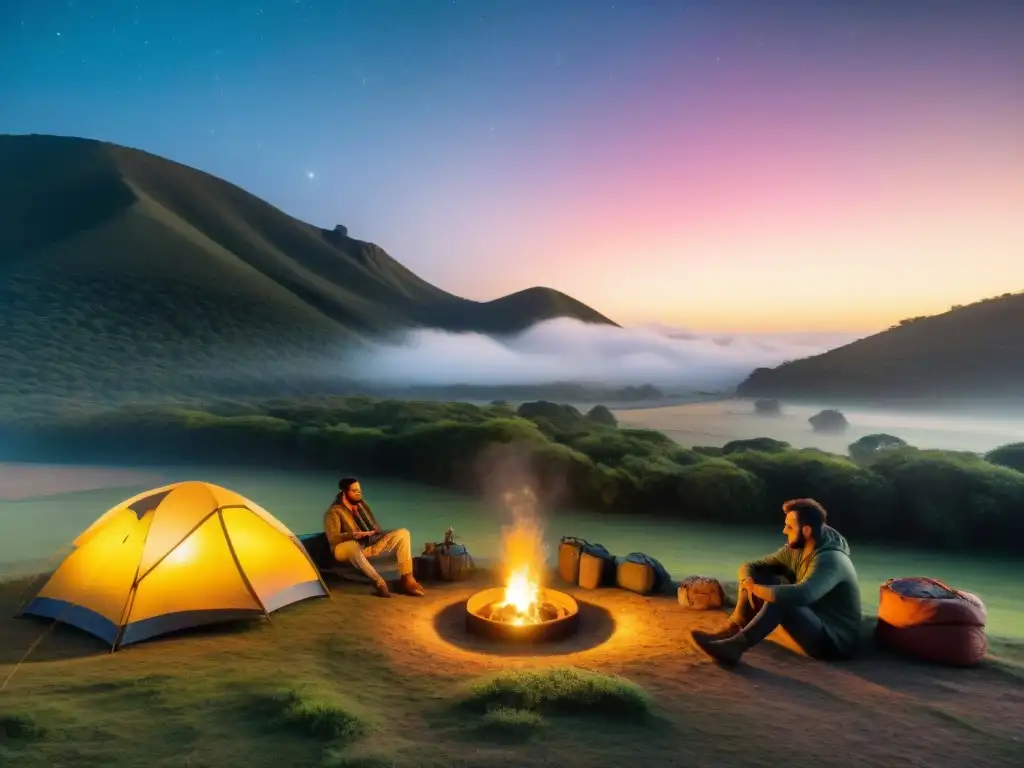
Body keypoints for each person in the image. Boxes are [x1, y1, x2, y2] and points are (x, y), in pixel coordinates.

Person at [689, 498, 862, 665]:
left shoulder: (831, 559)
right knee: (760, 576)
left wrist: (756, 589)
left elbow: (802, 595)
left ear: (807, 530)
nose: (784, 531)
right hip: (811, 621)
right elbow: (751, 566)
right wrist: (748, 582)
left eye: (789, 527)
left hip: (833, 643)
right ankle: (733, 629)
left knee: (783, 598)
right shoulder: (797, 548)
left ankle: (735, 647)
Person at [324, 477, 425, 598]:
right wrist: (354, 535)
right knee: (352, 546)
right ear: (345, 492)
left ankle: (407, 579)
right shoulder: (333, 512)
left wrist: (375, 533)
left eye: (359, 490)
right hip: (344, 549)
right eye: (355, 490)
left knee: (403, 533)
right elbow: (333, 538)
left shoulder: (362, 505)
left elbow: (374, 526)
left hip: (369, 544)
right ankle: (379, 582)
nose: (359, 493)